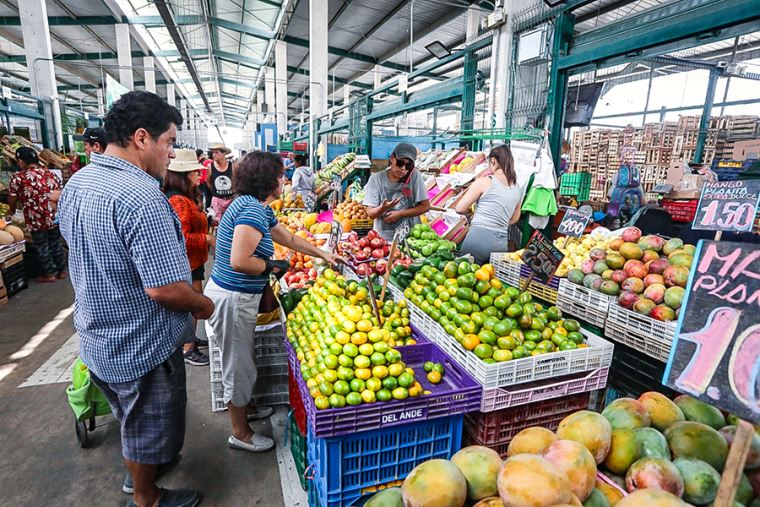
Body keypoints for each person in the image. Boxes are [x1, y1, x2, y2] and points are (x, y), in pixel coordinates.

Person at [59, 90, 214, 507]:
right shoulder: (142, 196)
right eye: (169, 142)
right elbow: (163, 288)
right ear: (142, 138)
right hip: (140, 344)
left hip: (97, 336)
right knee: (147, 424)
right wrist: (204, 305)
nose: (171, 152)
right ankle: (146, 496)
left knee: (132, 418)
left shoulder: (80, 181)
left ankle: (145, 468)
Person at [204, 151, 343, 454]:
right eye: (281, 175)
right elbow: (240, 261)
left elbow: (288, 238)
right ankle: (240, 432)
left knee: (242, 359)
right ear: (267, 179)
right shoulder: (251, 210)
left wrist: (324, 254)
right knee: (237, 366)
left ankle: (245, 409)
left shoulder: (258, 208)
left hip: (239, 296)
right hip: (233, 297)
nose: (285, 180)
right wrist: (271, 268)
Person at [163, 149, 215, 367]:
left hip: (193, 260)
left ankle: (190, 339)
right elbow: (181, 238)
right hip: (187, 261)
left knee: (194, 299)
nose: (199, 176)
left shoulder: (185, 196)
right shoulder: (179, 200)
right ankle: (188, 348)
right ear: (184, 174)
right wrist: (206, 238)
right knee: (192, 301)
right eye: (195, 172)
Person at [456, 144, 524, 264]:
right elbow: (515, 218)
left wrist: (474, 213)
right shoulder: (517, 188)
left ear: (492, 161)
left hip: (478, 240)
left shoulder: (484, 182)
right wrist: (499, 223)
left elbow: (460, 208)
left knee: (465, 277)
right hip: (501, 244)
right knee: (490, 280)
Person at [8, 147, 67, 282]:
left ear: (22, 161)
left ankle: (50, 274)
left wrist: (11, 211)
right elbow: (59, 192)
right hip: (54, 216)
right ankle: (62, 271)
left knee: (42, 246)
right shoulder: (50, 174)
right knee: (56, 243)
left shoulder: (19, 178)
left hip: (36, 219)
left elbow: (12, 197)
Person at [363, 142, 430, 241]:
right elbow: (371, 214)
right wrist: (382, 208)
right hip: (383, 242)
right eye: (400, 163)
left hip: (411, 239)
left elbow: (425, 206)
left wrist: (400, 214)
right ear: (391, 158)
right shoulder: (376, 179)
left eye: (408, 165)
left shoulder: (415, 176)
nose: (403, 168)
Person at [207, 142, 233, 222]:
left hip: (230, 200)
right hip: (217, 200)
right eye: (213, 153)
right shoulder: (210, 167)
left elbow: (236, 181)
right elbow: (208, 182)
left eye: (216, 152)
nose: (214, 155)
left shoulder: (233, 166)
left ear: (223, 153)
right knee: (217, 222)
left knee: (230, 221)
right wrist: (215, 192)